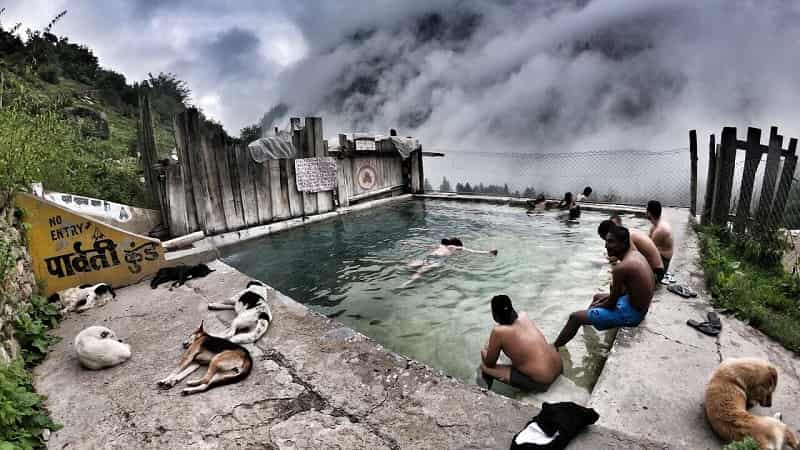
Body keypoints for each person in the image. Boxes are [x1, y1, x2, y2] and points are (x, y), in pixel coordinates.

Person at [553, 225, 655, 347]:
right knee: (597, 296)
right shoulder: (636, 255)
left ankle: (554, 347)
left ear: (623, 243)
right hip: (638, 306)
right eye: (606, 241)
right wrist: (603, 300)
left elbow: (611, 304)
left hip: (632, 314)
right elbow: (623, 292)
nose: (606, 246)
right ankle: (587, 324)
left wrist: (600, 304)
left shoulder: (621, 268)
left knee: (575, 317)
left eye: (611, 242)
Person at [479, 295, 562, 392]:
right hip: (558, 366)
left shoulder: (498, 332)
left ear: (494, 315)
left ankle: (482, 394)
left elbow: (489, 363)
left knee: (484, 368)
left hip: (544, 381)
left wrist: (484, 350)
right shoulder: (524, 316)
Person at [405, 238, 497, 285]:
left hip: (430, 256)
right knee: (420, 272)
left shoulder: (441, 246)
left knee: (413, 265)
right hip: (438, 260)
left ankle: (410, 269)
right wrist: (488, 252)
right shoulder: (454, 247)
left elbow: (424, 245)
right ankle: (406, 284)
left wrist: (410, 244)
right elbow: (472, 251)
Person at [600, 216, 665, 281]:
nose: (607, 245)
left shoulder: (629, 236)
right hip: (655, 268)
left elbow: (635, 259)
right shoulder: (627, 233)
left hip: (656, 273)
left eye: (609, 240)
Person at [647, 200, 673, 276]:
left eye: (646, 210)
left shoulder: (660, 230)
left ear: (649, 213)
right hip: (660, 259)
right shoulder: (655, 225)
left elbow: (646, 249)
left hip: (662, 266)